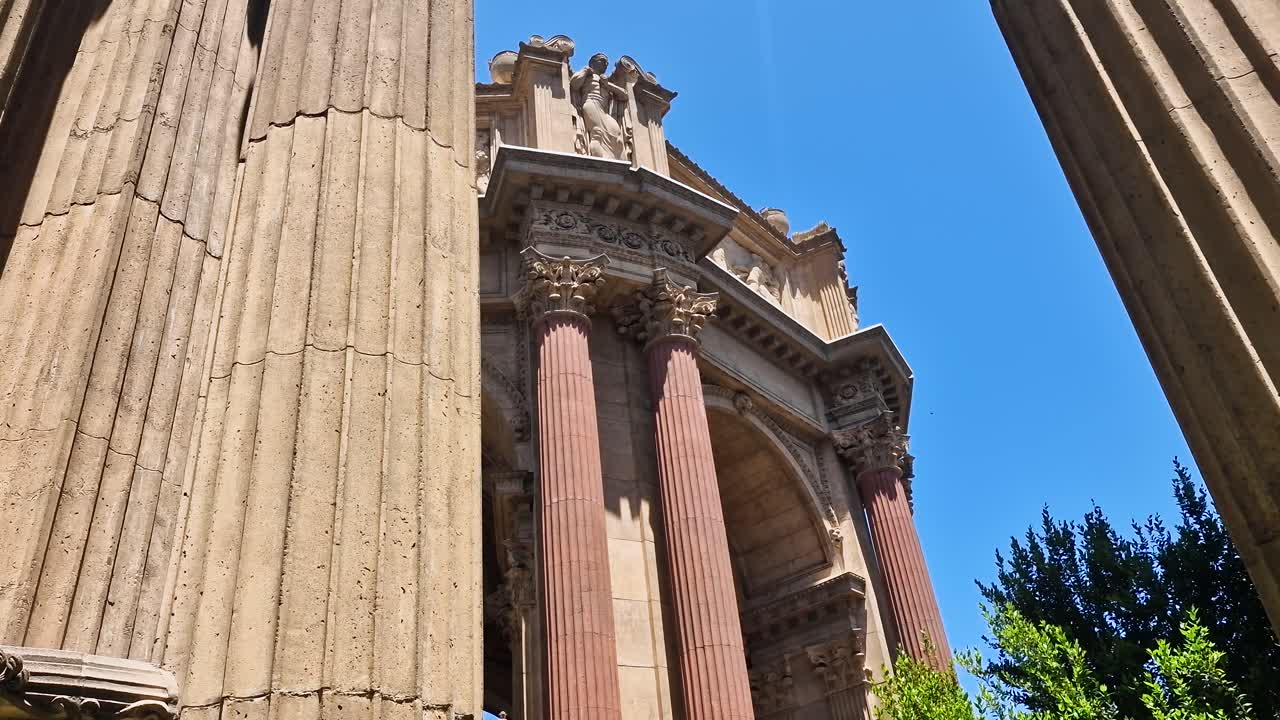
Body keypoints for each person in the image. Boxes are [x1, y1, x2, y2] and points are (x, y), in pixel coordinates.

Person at [570, 53, 629, 159]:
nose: (605, 64)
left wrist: (608, 85)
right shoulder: (587, 74)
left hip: (604, 110)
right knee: (597, 132)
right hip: (591, 103)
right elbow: (574, 84)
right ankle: (599, 159)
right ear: (592, 62)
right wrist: (585, 71)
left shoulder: (605, 80)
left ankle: (618, 162)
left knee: (618, 137)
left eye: (606, 62)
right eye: (602, 61)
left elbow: (624, 96)